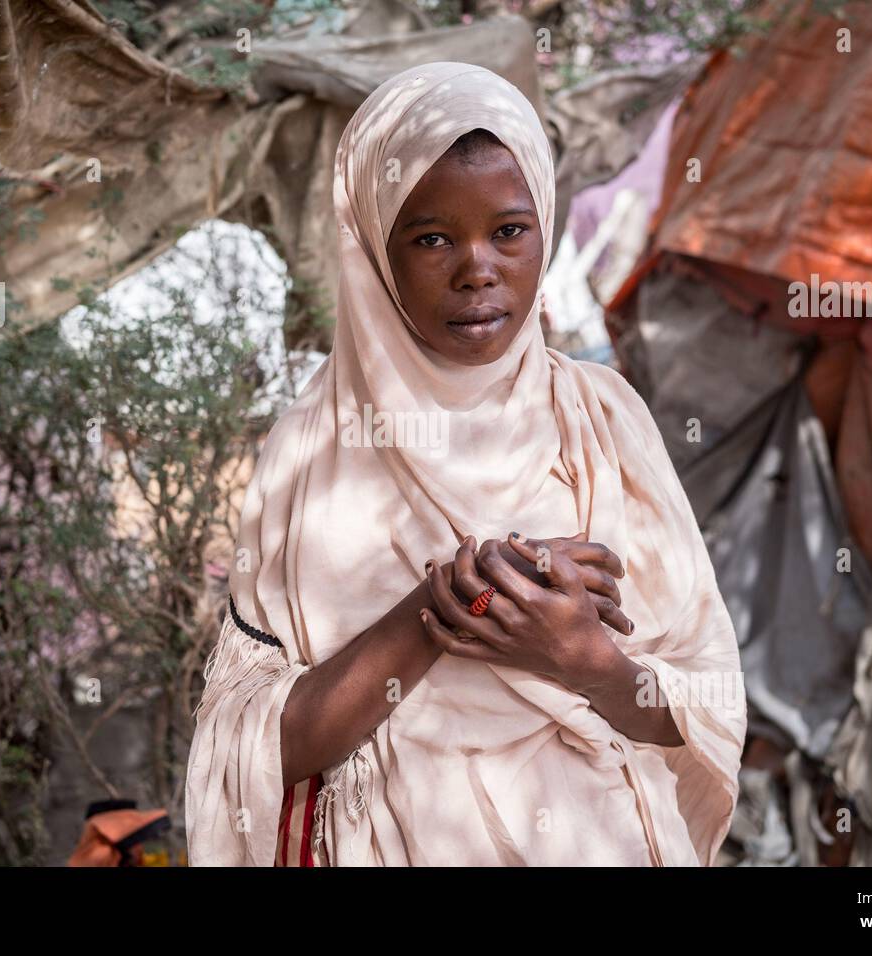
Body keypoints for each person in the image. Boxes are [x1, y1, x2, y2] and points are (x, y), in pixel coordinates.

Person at [184, 61, 746, 866]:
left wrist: (582, 658)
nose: (477, 267)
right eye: (433, 237)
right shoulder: (314, 450)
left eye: (509, 231)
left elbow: (702, 707)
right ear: (376, 248)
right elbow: (263, 751)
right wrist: (448, 605)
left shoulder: (602, 421)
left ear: (545, 226)